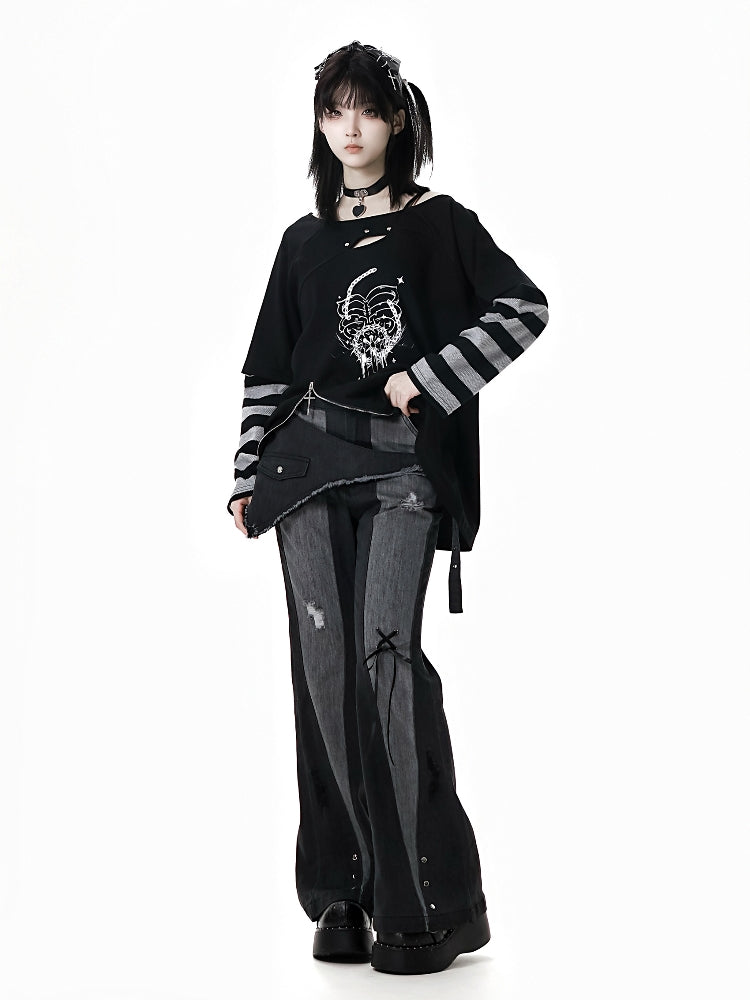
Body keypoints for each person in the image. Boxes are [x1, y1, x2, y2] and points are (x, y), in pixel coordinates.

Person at [227, 40, 550, 975]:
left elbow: (523, 309)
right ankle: (342, 892)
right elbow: (267, 372)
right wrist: (246, 475)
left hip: (403, 470)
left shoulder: (439, 224)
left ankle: (429, 904)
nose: (351, 127)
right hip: (303, 472)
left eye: (367, 109)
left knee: (387, 665)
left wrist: (431, 378)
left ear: (398, 120)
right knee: (324, 673)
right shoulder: (302, 242)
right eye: (335, 111)